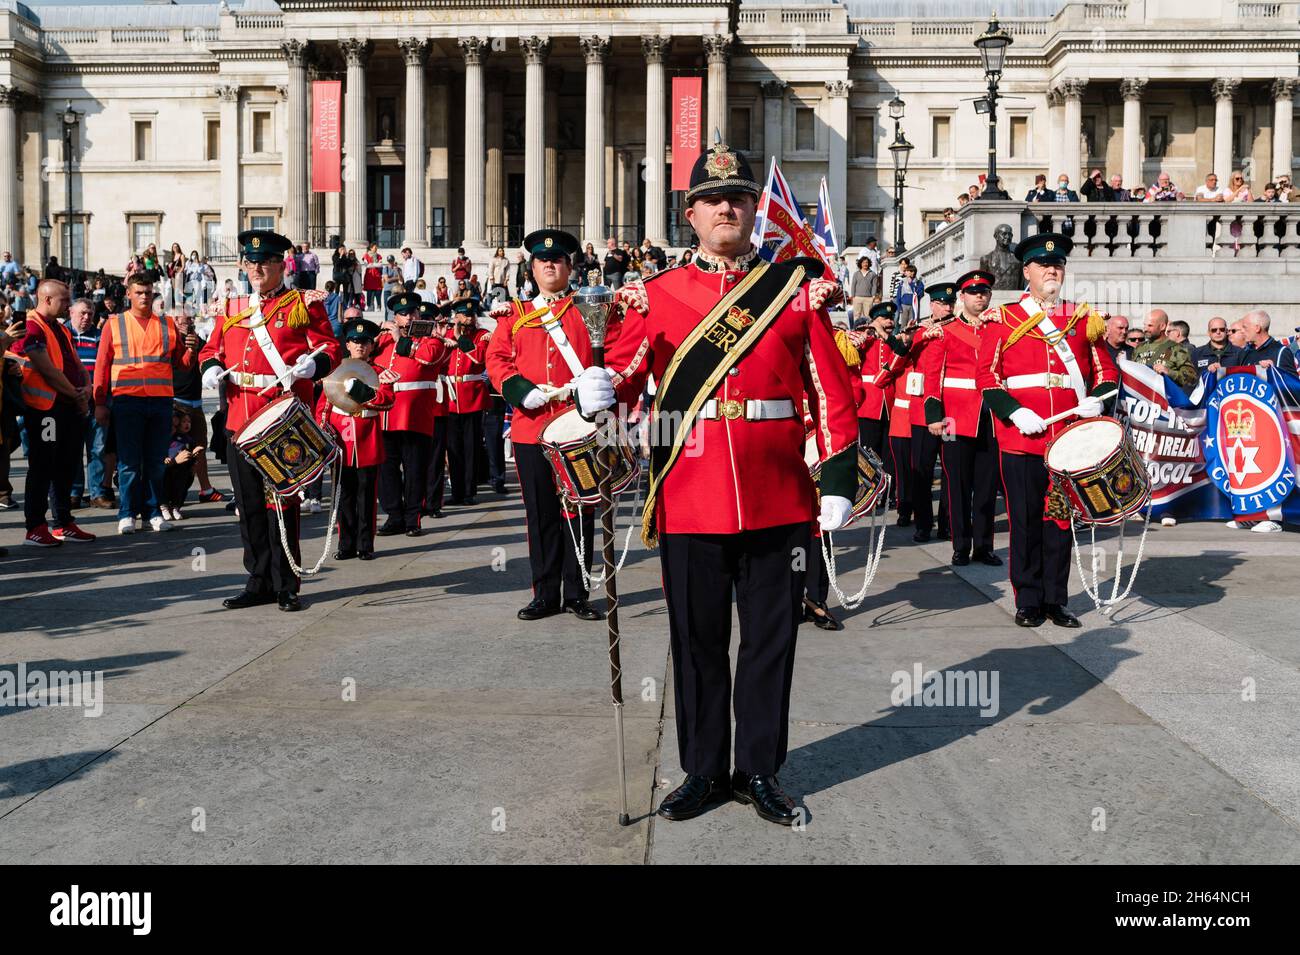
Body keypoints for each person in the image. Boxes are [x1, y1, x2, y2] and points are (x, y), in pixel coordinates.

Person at [614, 140, 857, 826]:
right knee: (695, 639)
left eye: (739, 198)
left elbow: (830, 390)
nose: (727, 207)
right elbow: (626, 378)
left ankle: (760, 770)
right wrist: (598, 388)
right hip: (691, 494)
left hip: (778, 491)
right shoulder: (656, 295)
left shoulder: (796, 288)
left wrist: (836, 473)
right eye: (712, 199)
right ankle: (702, 770)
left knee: (770, 640)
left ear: (756, 210)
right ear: (690, 214)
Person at [485, 229, 640, 622]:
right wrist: (521, 391)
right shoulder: (515, 315)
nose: (549, 265)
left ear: (570, 267)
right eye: (541, 261)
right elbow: (498, 360)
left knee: (581, 511)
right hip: (531, 428)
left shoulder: (592, 307)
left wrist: (603, 389)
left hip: (581, 426)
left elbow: (619, 354)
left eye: (556, 260)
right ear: (532, 268)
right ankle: (544, 593)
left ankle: (578, 592)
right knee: (540, 513)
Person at [975, 232, 1117, 628]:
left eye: (1057, 265)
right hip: (1022, 439)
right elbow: (986, 376)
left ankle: (1056, 599)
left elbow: (1107, 372)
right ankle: (1028, 599)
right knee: (1023, 521)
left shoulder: (1084, 319)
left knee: (1059, 523)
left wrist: (1099, 399)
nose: (1052, 270)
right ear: (1027, 271)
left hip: (1067, 441)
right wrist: (1013, 411)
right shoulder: (1002, 319)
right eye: (1043, 265)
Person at [199, 230, 342, 612]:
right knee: (247, 506)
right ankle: (258, 579)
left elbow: (331, 347)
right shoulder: (232, 307)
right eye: (250, 262)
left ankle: (286, 582)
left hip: (280, 421)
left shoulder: (300, 305)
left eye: (265, 262)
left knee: (282, 505)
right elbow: (212, 347)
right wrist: (211, 367)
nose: (257, 268)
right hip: (237, 420)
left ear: (281, 265)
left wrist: (315, 364)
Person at [94, 271, 197, 534]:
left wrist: (192, 349)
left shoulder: (167, 325)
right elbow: (102, 365)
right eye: (138, 292)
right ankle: (127, 513)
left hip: (160, 403)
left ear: (153, 294)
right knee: (128, 462)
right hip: (127, 401)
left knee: (154, 462)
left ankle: (152, 512)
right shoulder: (114, 324)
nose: (144, 296)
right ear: (128, 294)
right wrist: (99, 402)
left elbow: (181, 364)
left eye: (148, 292)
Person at [925, 269, 1001, 566]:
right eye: (973, 292)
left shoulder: (998, 330)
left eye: (984, 292)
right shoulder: (945, 331)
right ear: (962, 297)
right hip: (954, 418)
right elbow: (933, 376)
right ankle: (960, 545)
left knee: (986, 486)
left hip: (991, 418)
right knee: (956, 484)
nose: (979, 296)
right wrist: (934, 415)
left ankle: (984, 545)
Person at [13, 279, 98, 546]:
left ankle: (63, 522)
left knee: (66, 465)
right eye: (63, 300)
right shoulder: (31, 328)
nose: (67, 304)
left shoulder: (59, 329)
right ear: (47, 299)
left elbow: (74, 362)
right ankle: (35, 526)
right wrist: (77, 394)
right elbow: (48, 370)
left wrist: (86, 387)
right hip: (45, 410)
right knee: (43, 466)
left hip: (66, 407)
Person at [317, 316, 394, 560]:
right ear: (347, 345)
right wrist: (323, 428)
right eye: (353, 340)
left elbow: (387, 400)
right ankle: (345, 544)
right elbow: (324, 405)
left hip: (367, 439)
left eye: (364, 341)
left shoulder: (380, 372)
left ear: (372, 346)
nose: (359, 345)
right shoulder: (335, 371)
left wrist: (362, 392)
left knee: (367, 497)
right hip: (341, 439)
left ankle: (365, 545)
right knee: (343, 496)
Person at [373, 293, 450, 536]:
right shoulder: (383, 341)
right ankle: (394, 516)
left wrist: (398, 339)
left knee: (415, 470)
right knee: (387, 471)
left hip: (415, 416)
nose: (409, 317)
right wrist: (374, 336)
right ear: (395, 317)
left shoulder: (431, 341)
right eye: (403, 313)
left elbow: (429, 358)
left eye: (413, 312)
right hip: (386, 414)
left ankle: (412, 518)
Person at [171, 308, 223, 504]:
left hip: (196, 402)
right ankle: (172, 495)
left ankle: (206, 489)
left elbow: (208, 357)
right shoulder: (170, 342)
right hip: (176, 402)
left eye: (191, 319)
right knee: (175, 451)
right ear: (175, 320)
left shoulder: (197, 340)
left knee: (200, 446)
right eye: (185, 320)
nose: (189, 323)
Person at [444, 298, 491, 506]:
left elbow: (479, 358)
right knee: (453, 448)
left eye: (471, 315)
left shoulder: (481, 336)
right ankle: (457, 491)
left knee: (471, 447)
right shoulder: (446, 335)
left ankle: (470, 491)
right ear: (457, 317)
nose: (469, 318)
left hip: (472, 397)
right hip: (451, 398)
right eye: (464, 315)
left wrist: (458, 340)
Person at [65, 297, 108, 508]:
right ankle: (74, 492)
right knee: (72, 449)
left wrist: (93, 391)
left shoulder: (99, 337)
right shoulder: (62, 335)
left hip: (94, 401)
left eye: (90, 314)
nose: (86, 317)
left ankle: (97, 493)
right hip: (69, 401)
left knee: (97, 449)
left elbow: (105, 368)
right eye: (82, 313)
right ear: (70, 312)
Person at [1131, 308, 1196, 388]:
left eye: (1150, 326)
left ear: (1162, 326)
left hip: (1166, 397)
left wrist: (1168, 372)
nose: (1145, 329)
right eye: (1144, 325)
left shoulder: (1177, 348)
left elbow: (1191, 379)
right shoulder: (1139, 348)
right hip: (1143, 397)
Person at [160, 405, 201, 521]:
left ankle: (175, 507)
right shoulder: (161, 439)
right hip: (166, 472)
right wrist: (168, 461)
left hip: (181, 471)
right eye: (183, 422)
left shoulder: (185, 439)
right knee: (165, 483)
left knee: (181, 482)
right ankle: (163, 506)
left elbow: (190, 452)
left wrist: (194, 458)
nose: (173, 427)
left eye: (175, 425)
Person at [1239, 309, 1298, 374]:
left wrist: (1274, 370)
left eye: (1245, 327)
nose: (1242, 331)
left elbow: (1292, 382)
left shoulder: (1281, 352)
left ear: (1257, 328)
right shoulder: (1246, 351)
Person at [847, 256, 879, 323]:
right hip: (857, 297)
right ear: (860, 264)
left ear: (869, 263)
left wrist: (873, 296)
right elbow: (853, 285)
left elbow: (874, 286)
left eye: (867, 262)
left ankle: (868, 330)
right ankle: (856, 330)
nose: (865, 264)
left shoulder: (873, 274)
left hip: (869, 298)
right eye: (863, 262)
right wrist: (853, 296)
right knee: (856, 315)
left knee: (868, 316)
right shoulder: (856, 274)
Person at [362, 243, 384, 311]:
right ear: (371, 248)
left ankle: (378, 306)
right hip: (369, 276)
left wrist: (372, 264)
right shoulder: (366, 255)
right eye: (375, 247)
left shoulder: (379, 256)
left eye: (376, 247)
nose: (376, 249)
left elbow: (380, 265)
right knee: (369, 292)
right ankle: (369, 306)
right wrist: (375, 264)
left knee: (378, 292)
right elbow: (366, 265)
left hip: (377, 276)